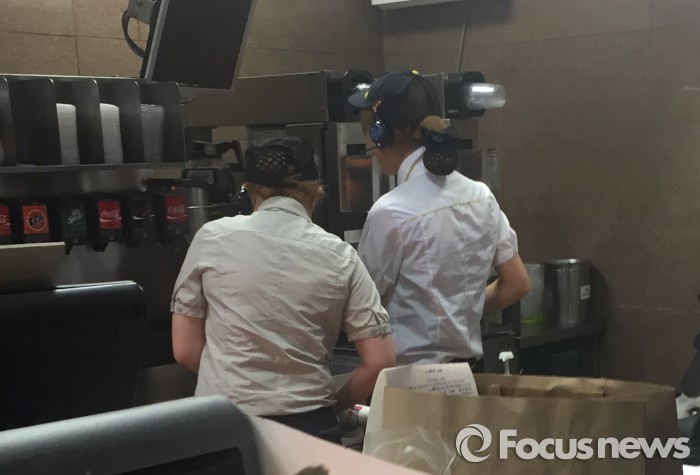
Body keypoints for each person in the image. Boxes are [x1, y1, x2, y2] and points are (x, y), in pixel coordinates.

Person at [170, 137, 395, 441]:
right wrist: (333, 407)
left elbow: (184, 350)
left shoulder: (212, 237)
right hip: (311, 426)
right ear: (316, 193)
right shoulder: (340, 255)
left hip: (227, 422)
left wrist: (233, 380)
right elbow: (380, 359)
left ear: (249, 191)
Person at [347, 70, 530, 367]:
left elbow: (361, 305)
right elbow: (517, 284)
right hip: (468, 375)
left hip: (409, 380)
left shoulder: (390, 212)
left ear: (381, 134)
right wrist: (458, 309)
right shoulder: (481, 195)